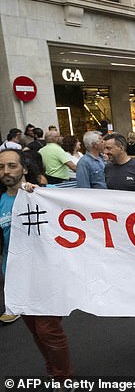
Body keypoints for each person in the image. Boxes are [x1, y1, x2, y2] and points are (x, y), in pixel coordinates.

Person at [0, 149, 75, 386]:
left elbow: (78, 205)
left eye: (12, 166)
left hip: (45, 275)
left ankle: (63, 378)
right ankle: (53, 370)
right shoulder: (1, 200)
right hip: (16, 278)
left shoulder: (44, 194)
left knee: (47, 330)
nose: (6, 172)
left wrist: (39, 192)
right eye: (1, 167)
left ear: (24, 168)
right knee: (35, 331)